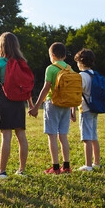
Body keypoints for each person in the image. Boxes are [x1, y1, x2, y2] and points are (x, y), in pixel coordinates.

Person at [0, 32, 33, 178]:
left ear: (1, 45)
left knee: (6, 136)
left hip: (4, 99)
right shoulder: (22, 62)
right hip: (19, 101)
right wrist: (30, 104)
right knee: (21, 135)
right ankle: (21, 170)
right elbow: (27, 87)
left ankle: (2, 171)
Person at [73, 49, 105, 171]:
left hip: (85, 110)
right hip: (95, 109)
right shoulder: (94, 74)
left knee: (86, 138)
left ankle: (88, 165)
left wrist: (72, 111)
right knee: (94, 136)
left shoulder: (81, 76)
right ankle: (96, 163)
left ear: (80, 62)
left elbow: (76, 95)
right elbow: (103, 92)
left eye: (77, 62)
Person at [29, 42, 72, 174]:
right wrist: (72, 110)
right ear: (64, 56)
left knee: (52, 136)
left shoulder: (51, 68)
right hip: (66, 105)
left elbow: (46, 88)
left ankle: (55, 168)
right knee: (63, 136)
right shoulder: (70, 69)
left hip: (52, 104)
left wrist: (36, 107)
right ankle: (66, 166)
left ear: (52, 56)